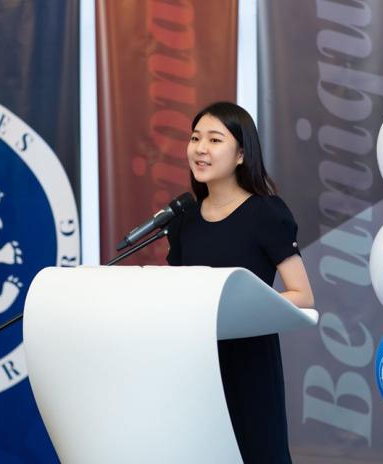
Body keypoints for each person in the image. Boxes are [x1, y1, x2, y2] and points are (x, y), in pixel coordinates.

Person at [166, 101, 314, 463]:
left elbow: (302, 295)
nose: (200, 148)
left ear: (241, 155)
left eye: (215, 140)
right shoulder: (183, 221)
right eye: (195, 138)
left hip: (250, 363)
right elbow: (176, 295)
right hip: (196, 362)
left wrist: (239, 308)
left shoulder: (266, 213)